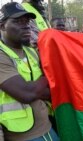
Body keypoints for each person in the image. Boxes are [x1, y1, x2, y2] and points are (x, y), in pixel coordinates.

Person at [0, 2, 59, 140]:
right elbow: (26, 94)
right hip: (23, 136)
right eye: (18, 21)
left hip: (48, 128)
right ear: (2, 26)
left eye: (27, 21)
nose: (26, 25)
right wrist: (45, 80)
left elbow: (52, 89)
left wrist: (36, 88)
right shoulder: (2, 55)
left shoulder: (31, 52)